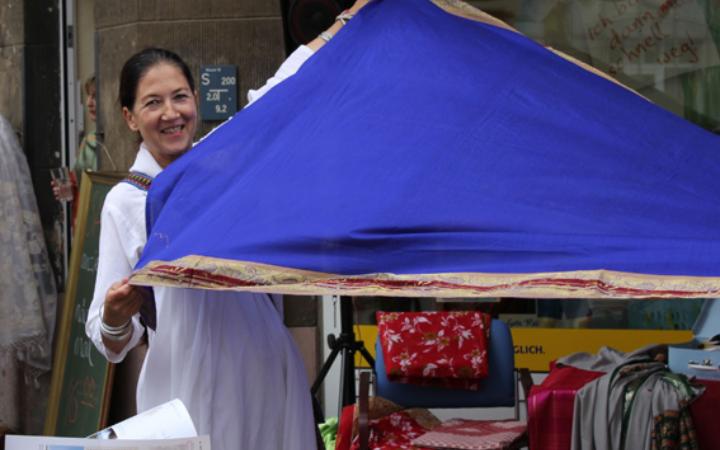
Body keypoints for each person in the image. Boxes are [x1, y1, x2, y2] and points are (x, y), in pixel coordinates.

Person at [85, 2, 370, 448]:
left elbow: (277, 94)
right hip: (183, 386)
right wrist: (115, 316)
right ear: (129, 117)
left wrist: (347, 24)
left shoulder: (227, 165)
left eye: (180, 97)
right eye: (152, 103)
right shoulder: (125, 202)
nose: (171, 113)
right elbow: (110, 342)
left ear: (196, 100)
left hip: (261, 365)